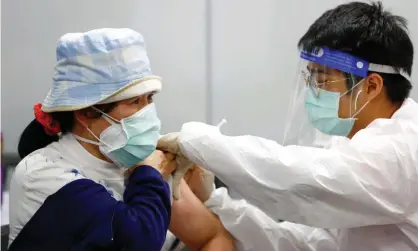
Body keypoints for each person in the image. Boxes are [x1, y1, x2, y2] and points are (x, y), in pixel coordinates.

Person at [158, 2, 418, 250]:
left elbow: (297, 183)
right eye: (310, 76)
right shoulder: (352, 142)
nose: (312, 90)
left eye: (322, 79)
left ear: (371, 87)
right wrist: (217, 202)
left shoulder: (400, 152)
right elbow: (312, 243)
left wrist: (202, 143)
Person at [8, 28, 234, 251]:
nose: (147, 112)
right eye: (135, 102)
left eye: (150, 98)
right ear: (86, 112)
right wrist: (150, 173)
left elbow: (213, 237)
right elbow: (138, 241)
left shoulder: (138, 161)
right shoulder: (42, 174)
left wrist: (204, 197)